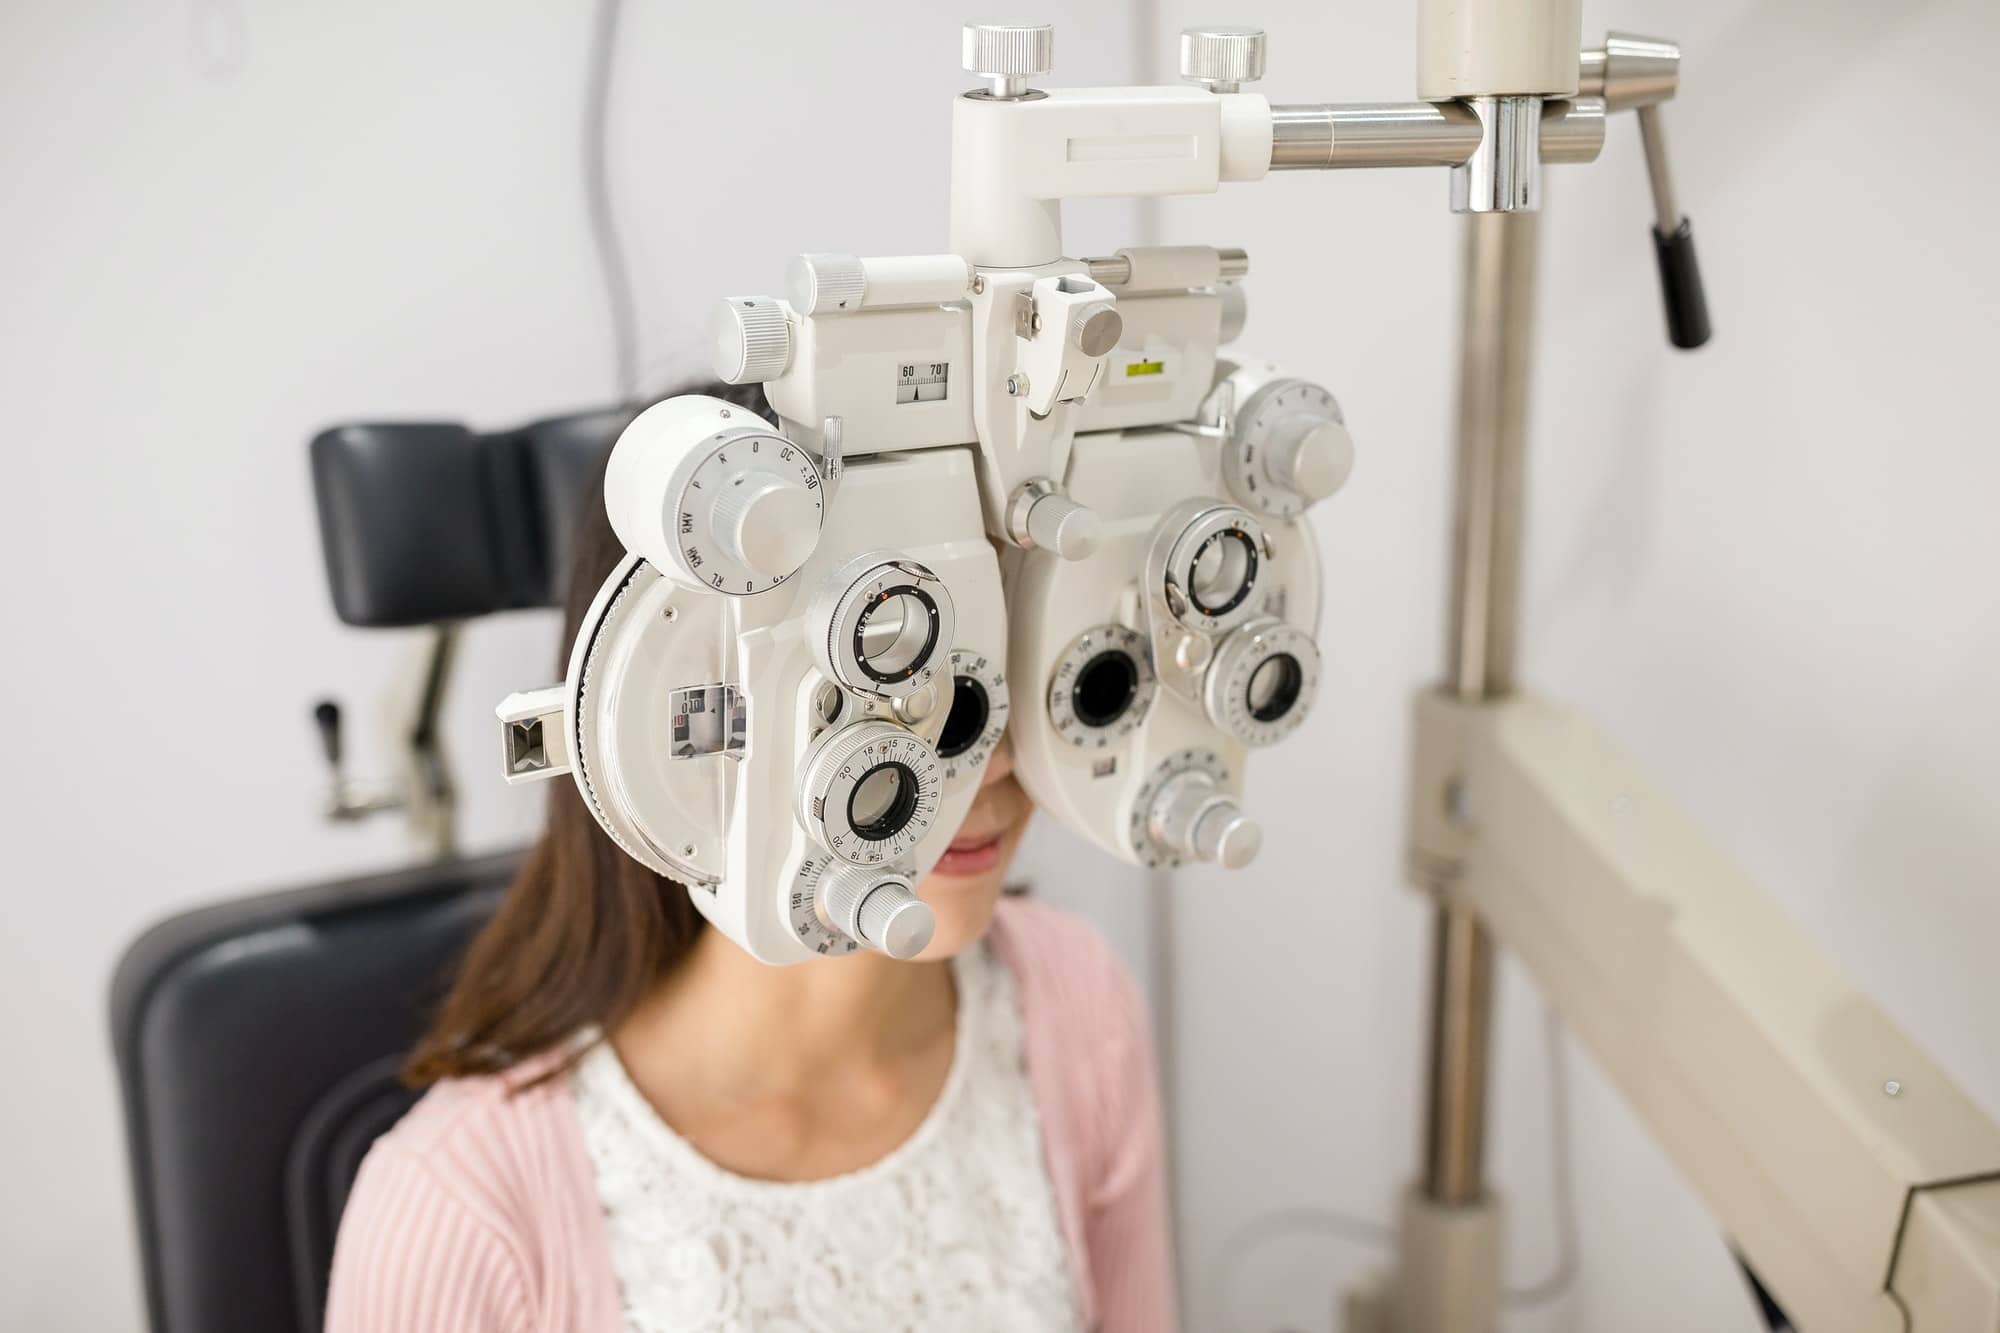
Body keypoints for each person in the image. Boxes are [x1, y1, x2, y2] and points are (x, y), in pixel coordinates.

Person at [324, 384, 1176, 1332]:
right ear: (685, 720)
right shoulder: (457, 1212)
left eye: (1011, 662)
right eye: (888, 683)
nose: (999, 764)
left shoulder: (1074, 1002)